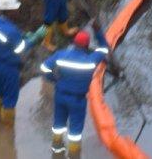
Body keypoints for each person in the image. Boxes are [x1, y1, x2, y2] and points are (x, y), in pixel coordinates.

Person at [40, 29, 110, 157]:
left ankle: (56, 149)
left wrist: (54, 79)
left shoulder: (61, 55)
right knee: (75, 131)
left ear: (74, 43)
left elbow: (44, 68)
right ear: (87, 46)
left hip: (60, 96)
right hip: (78, 100)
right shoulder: (91, 60)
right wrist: (98, 32)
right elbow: (104, 49)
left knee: (58, 124)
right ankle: (73, 154)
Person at [0, 0, 46, 125]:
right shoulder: (11, 31)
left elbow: (7, 38)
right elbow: (20, 49)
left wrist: (23, 35)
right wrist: (35, 38)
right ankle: (7, 129)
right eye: (15, 9)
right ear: (8, 11)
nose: (17, 11)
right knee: (10, 99)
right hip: (9, 68)